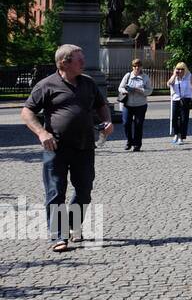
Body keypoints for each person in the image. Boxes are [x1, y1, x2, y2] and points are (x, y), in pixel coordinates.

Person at [20, 44, 111, 252]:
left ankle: (72, 225)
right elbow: (27, 113)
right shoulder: (46, 85)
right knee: (55, 191)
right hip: (56, 147)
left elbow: (101, 105)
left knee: (85, 190)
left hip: (85, 146)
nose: (84, 63)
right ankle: (58, 236)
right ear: (64, 62)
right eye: (79, 60)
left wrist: (106, 121)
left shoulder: (87, 83)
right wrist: (42, 133)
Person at [118, 58, 152, 152]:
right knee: (126, 123)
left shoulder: (145, 77)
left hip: (141, 105)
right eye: (135, 66)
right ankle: (129, 141)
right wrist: (125, 91)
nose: (136, 68)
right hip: (128, 104)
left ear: (141, 67)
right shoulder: (128, 75)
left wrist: (140, 90)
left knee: (138, 125)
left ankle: (137, 144)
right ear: (132, 67)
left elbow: (150, 90)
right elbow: (120, 87)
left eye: (138, 66)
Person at [168, 62, 192, 145]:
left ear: (185, 69)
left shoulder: (189, 76)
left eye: (182, 69)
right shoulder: (174, 77)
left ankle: (181, 137)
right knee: (174, 118)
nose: (180, 70)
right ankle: (176, 134)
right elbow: (169, 84)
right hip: (176, 99)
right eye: (178, 69)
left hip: (186, 100)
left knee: (184, 119)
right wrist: (174, 75)